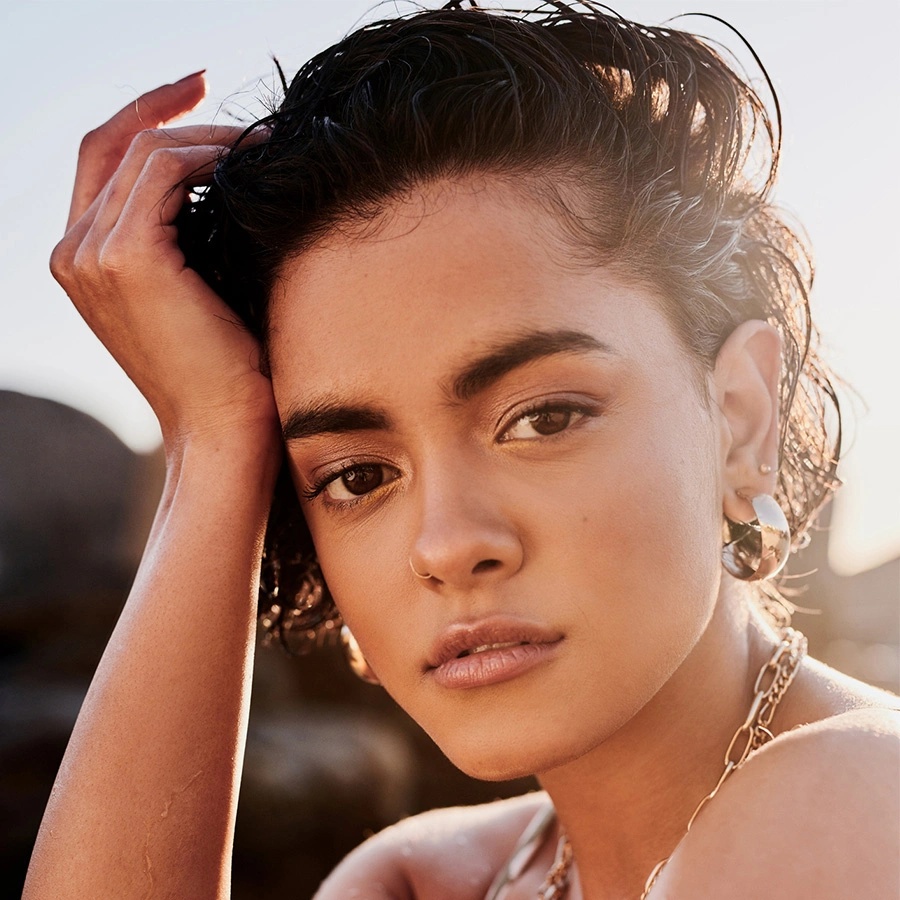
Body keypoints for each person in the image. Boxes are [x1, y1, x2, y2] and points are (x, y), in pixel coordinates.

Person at [23, 3, 900, 898]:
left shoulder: (854, 795)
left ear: (742, 418)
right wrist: (212, 436)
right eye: (358, 476)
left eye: (543, 419)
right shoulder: (427, 878)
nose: (445, 545)